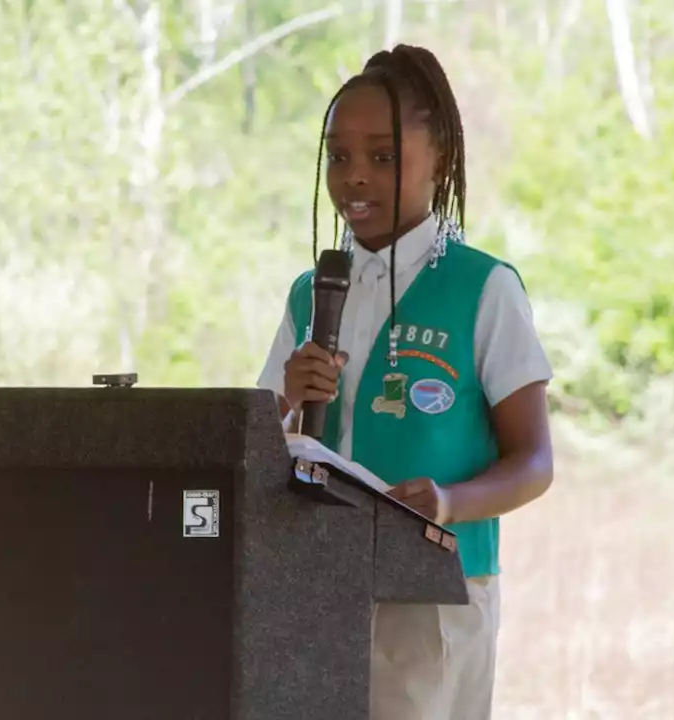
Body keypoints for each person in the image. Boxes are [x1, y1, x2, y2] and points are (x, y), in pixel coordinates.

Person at [256, 44, 555, 720]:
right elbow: (260, 447)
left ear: (441, 156)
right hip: (319, 587)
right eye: (338, 157)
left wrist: (447, 500)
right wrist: (282, 400)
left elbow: (534, 463)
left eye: (383, 157)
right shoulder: (313, 292)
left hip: (435, 596)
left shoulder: (483, 288)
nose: (354, 178)